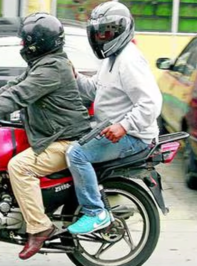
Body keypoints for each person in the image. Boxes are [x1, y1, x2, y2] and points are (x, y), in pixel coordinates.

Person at [0, 13, 91, 259]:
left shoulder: (53, 69)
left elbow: (20, 95)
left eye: (25, 41)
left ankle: (39, 227)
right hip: (52, 136)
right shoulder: (44, 63)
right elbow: (11, 88)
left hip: (65, 141)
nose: (22, 46)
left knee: (19, 166)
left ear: (38, 43)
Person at [66, 1, 163, 235]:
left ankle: (95, 212)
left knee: (76, 154)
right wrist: (75, 76)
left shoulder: (129, 60)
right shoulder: (111, 58)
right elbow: (95, 90)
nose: (101, 37)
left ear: (121, 30)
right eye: (98, 33)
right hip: (114, 129)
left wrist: (124, 125)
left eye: (107, 32)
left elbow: (151, 102)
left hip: (134, 137)